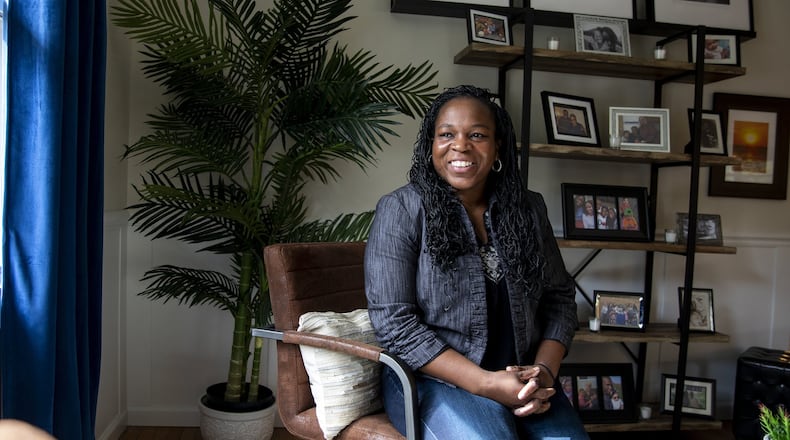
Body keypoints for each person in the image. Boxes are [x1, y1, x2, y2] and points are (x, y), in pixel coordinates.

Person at [365, 85, 588, 439]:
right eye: (447, 134)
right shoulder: (401, 210)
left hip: (521, 380)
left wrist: (544, 371)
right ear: (431, 145)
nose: (461, 145)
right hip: (428, 379)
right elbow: (395, 325)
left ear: (498, 146)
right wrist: (486, 383)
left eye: (478, 135)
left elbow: (559, 299)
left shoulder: (529, 210)